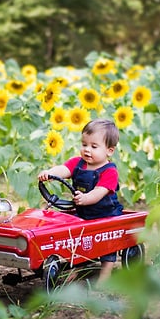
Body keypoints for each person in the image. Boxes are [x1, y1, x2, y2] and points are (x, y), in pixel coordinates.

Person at [38, 118, 123, 280]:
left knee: (107, 241)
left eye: (94, 146)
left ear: (109, 151)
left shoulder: (109, 172)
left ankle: (105, 273)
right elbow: (63, 169)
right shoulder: (78, 163)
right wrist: (50, 173)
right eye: (84, 144)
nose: (87, 150)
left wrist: (86, 198)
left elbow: (100, 191)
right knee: (74, 238)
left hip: (105, 215)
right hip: (83, 212)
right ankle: (76, 267)